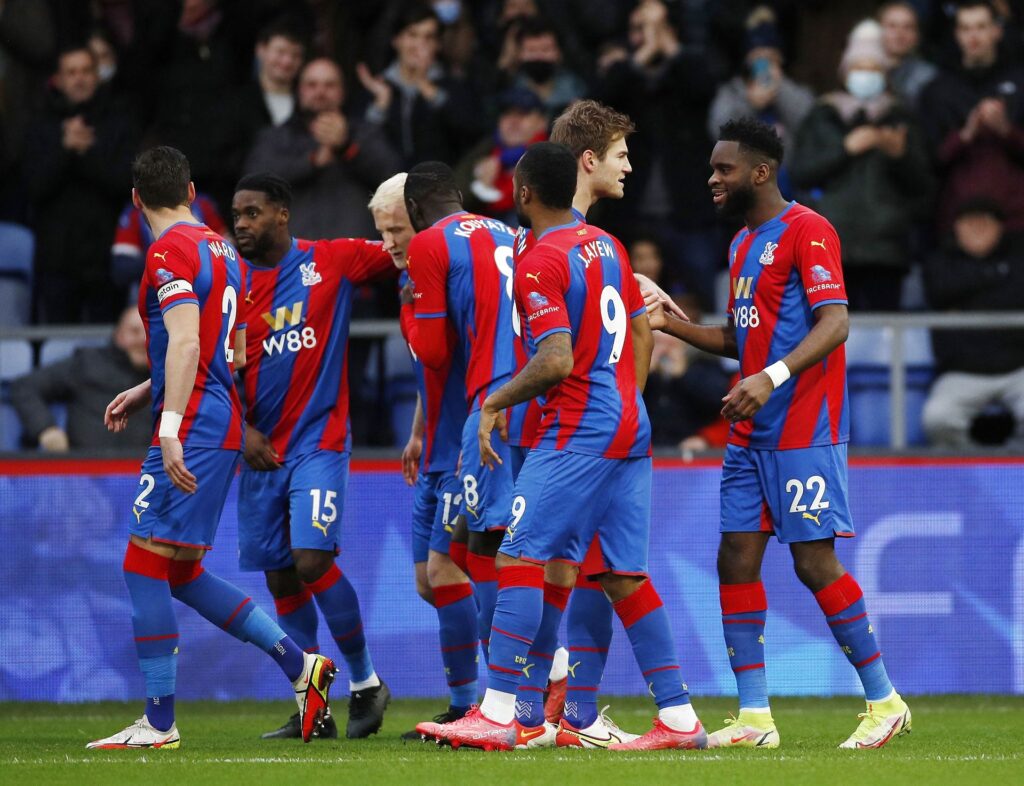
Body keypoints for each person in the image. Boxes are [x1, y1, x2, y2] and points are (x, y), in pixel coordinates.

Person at [419, 142, 706, 752]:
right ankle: (679, 719)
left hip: (577, 428)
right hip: (630, 423)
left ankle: (497, 713)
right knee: (623, 573)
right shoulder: (608, 246)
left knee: (518, 556)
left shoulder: (541, 259)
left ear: (523, 194)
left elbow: (554, 359)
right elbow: (637, 326)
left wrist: (495, 402)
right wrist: (627, 398)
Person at [647, 118, 911, 749]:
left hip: (804, 431)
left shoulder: (808, 230)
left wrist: (768, 378)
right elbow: (742, 338)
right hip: (751, 436)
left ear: (761, 171)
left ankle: (885, 702)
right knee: (734, 558)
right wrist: (668, 324)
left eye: (724, 169)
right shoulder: (742, 244)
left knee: (812, 561)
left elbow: (836, 323)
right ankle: (756, 718)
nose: (713, 179)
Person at [92, 146, 335, 750]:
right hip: (220, 419)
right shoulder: (219, 246)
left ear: (135, 200)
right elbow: (219, 344)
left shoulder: (167, 251)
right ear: (192, 190)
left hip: (195, 425)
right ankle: (299, 666)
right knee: (182, 571)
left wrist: (168, 425)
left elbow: (186, 344)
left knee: (142, 564)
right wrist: (148, 390)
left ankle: (159, 721)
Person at [504, 99, 683, 747]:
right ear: (587, 161)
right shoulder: (549, 243)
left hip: (577, 427)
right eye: (620, 154)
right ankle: (548, 710)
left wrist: (618, 409)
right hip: (552, 425)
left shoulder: (586, 246)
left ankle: (550, 712)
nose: (629, 166)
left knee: (581, 568)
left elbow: (629, 331)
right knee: (575, 569)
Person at [231, 172, 395, 740]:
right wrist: (240, 430)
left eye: (252, 213)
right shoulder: (231, 287)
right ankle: (313, 707)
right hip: (258, 453)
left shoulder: (334, 261)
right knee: (280, 577)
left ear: (282, 213)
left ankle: (367, 683)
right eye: (236, 216)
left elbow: (408, 250)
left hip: (319, 443)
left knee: (310, 560)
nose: (242, 225)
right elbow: (208, 369)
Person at [399, 161, 517, 710]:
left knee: (477, 553)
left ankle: (498, 699)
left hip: (486, 412)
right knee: (461, 562)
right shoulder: (506, 233)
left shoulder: (430, 244)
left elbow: (435, 352)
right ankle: (493, 697)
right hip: (523, 403)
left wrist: (409, 313)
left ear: (416, 212)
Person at [371, 173, 477, 736]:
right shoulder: (408, 280)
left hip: (468, 444)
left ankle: (478, 701)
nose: (389, 242)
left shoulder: (451, 272)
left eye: (396, 229)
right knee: (425, 580)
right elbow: (426, 369)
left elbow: (453, 356)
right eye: (382, 232)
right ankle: (480, 695)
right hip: (434, 444)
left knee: (448, 568)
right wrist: (416, 431)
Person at [789, 19, 934, 311]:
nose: (865, 75)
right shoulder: (822, 115)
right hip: (831, 248)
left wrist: (899, 156)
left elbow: (924, 185)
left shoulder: (901, 117)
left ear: (884, 73)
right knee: (832, 334)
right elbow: (801, 172)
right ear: (845, 72)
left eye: (873, 68)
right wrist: (846, 149)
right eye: (859, 68)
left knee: (884, 341)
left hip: (886, 249)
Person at [23, 45, 137, 322]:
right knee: (57, 344)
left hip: (106, 255)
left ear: (97, 76)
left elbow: (127, 183)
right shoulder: (40, 126)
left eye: (86, 71)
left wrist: (86, 152)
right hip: (56, 259)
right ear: (59, 79)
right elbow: (32, 187)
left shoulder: (120, 122)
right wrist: (64, 149)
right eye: (71, 72)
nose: (80, 79)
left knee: (108, 341)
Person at [244, 57, 401, 241]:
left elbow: (393, 177)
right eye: (312, 85)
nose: (320, 92)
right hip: (295, 257)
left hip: (356, 256)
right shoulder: (276, 136)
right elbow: (253, 182)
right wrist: (311, 161)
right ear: (299, 91)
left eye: (330, 85)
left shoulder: (365, 132)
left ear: (342, 92)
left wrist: (347, 147)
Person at [922, 197, 1024, 447]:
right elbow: (939, 290)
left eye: (985, 223)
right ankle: (973, 471)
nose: (977, 229)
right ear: (956, 227)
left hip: (1017, 369)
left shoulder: (1018, 258)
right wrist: (999, 277)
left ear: (1000, 228)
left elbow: (1017, 292)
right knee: (937, 418)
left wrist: (966, 296)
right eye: (970, 223)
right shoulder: (939, 261)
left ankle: (1013, 467)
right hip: (961, 373)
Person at [919, 0, 1024, 234]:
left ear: (997, 31)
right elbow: (928, 162)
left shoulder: (1020, 82)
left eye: (980, 27)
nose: (973, 36)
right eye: (965, 28)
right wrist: (966, 134)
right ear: (956, 34)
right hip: (955, 221)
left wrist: (1006, 130)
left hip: (1016, 222)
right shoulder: (937, 91)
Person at [10, 307, 150, 452]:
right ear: (118, 335)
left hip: (148, 469)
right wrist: (46, 429)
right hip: (83, 469)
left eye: (149, 332)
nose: (143, 339)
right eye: (134, 331)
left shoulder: (167, 373)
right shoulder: (88, 363)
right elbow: (25, 387)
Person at [357, 5, 478, 168]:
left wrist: (428, 88)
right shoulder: (377, 88)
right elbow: (359, 146)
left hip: (439, 188)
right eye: (412, 35)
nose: (419, 45)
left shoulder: (454, 87)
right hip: (387, 188)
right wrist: (380, 107)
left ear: (438, 45)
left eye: (428, 37)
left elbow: (470, 134)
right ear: (396, 40)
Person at [454, 87, 548, 224]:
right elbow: (456, 198)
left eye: (523, 114)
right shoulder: (485, 149)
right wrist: (479, 185)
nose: (513, 121)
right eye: (507, 113)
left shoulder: (551, 156)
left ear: (542, 122)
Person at [509, 17, 586, 121]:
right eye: (531, 50)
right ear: (519, 54)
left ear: (558, 53)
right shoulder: (510, 90)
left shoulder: (575, 88)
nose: (539, 56)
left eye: (546, 50)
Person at [877, 1, 937, 108]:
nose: (899, 34)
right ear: (878, 30)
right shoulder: (862, 69)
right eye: (892, 26)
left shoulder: (929, 78)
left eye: (908, 27)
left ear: (917, 35)